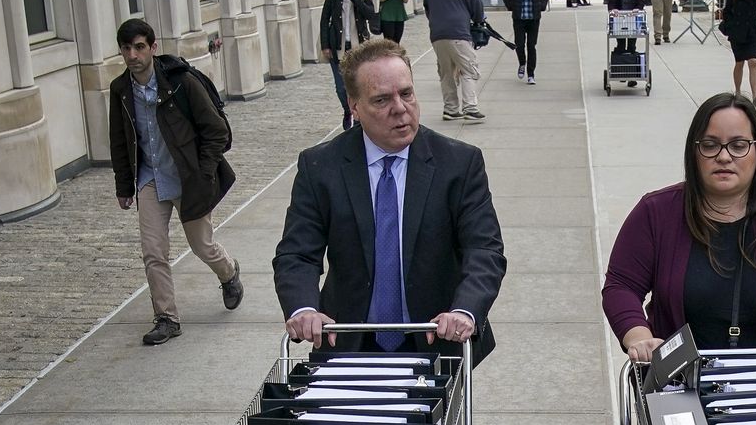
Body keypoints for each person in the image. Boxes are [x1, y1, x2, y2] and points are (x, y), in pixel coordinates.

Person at [275, 38, 506, 363]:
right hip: (347, 340)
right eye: (382, 99)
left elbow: (484, 250)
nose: (400, 108)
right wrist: (304, 308)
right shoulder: (320, 167)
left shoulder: (459, 164)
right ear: (353, 106)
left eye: (406, 93)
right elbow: (297, 254)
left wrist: (465, 310)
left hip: (437, 340)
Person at [603, 93, 756, 361]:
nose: (724, 156)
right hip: (680, 384)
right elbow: (621, 286)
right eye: (710, 145)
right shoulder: (655, 212)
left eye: (739, 145)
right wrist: (640, 338)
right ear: (694, 152)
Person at [108, 18, 242, 347]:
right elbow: (119, 141)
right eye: (126, 49)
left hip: (187, 177)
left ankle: (229, 273)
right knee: (153, 252)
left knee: (202, 246)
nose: (133, 55)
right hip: (150, 179)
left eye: (139, 47)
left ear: (153, 47)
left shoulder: (181, 82)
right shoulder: (120, 90)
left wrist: (204, 172)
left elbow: (217, 131)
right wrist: (125, 186)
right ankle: (166, 318)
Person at [425, 0, 487, 124]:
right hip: (459, 34)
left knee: (446, 73)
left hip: (437, 36)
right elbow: (478, 12)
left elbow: (428, 10)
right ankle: (470, 108)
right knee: (469, 69)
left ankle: (450, 109)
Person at [321, 0, 377, 131]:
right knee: (340, 87)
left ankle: (358, 115)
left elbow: (370, 14)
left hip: (357, 46)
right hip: (337, 45)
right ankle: (347, 111)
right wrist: (325, 45)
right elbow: (324, 20)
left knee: (357, 84)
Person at [502, 0, 551, 85]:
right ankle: (522, 63)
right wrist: (511, 6)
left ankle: (531, 74)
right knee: (519, 44)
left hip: (533, 17)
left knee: (531, 46)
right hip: (519, 17)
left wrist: (541, 6)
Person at [607, 0, 650, 68]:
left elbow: (641, 1)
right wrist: (613, 10)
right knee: (621, 45)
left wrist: (638, 9)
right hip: (620, 20)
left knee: (631, 46)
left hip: (633, 20)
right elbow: (611, 2)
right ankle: (621, 69)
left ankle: (632, 72)